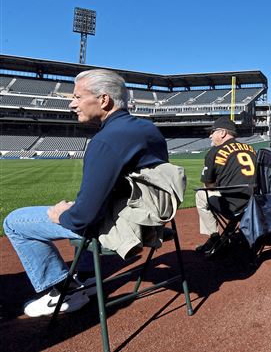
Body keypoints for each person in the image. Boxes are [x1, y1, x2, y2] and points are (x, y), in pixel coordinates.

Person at [3, 69, 169, 317]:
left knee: (15, 222)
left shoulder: (105, 140)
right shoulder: (149, 130)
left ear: (103, 100)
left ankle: (64, 291)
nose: (72, 104)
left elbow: (82, 218)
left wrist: (60, 214)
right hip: (150, 219)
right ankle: (89, 277)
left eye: (78, 97)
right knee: (87, 206)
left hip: (122, 227)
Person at [195, 117, 257, 255]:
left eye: (213, 131)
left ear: (222, 133)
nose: (210, 135)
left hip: (233, 205)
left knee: (200, 194)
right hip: (255, 203)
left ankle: (213, 237)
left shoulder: (214, 152)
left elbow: (208, 185)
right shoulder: (251, 149)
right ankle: (227, 234)